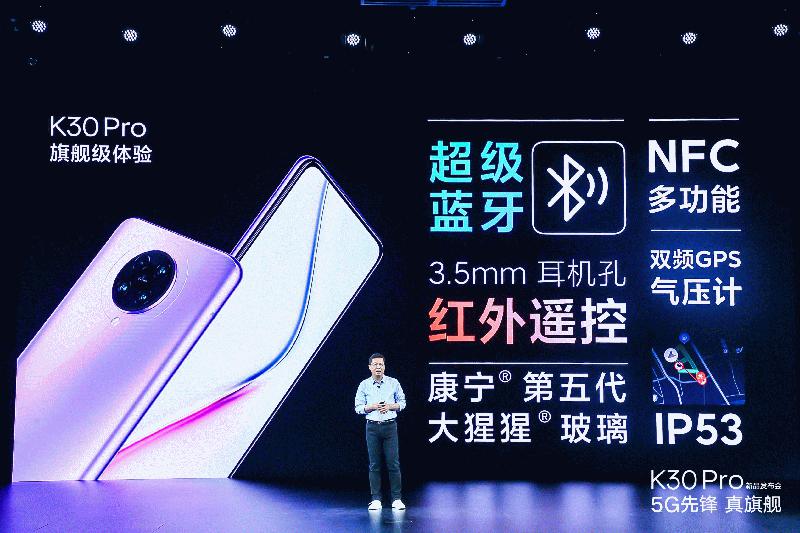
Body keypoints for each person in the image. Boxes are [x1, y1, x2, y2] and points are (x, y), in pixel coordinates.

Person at [354, 352, 406, 511]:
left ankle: (396, 499)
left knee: (393, 463)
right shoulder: (364, 385)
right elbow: (357, 408)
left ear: (384, 366)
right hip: (372, 427)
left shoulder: (393, 382)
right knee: (374, 464)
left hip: (390, 427)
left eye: (381, 364)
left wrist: (390, 406)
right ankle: (376, 499)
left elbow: (403, 403)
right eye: (375, 364)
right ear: (370, 367)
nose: (378, 367)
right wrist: (371, 407)